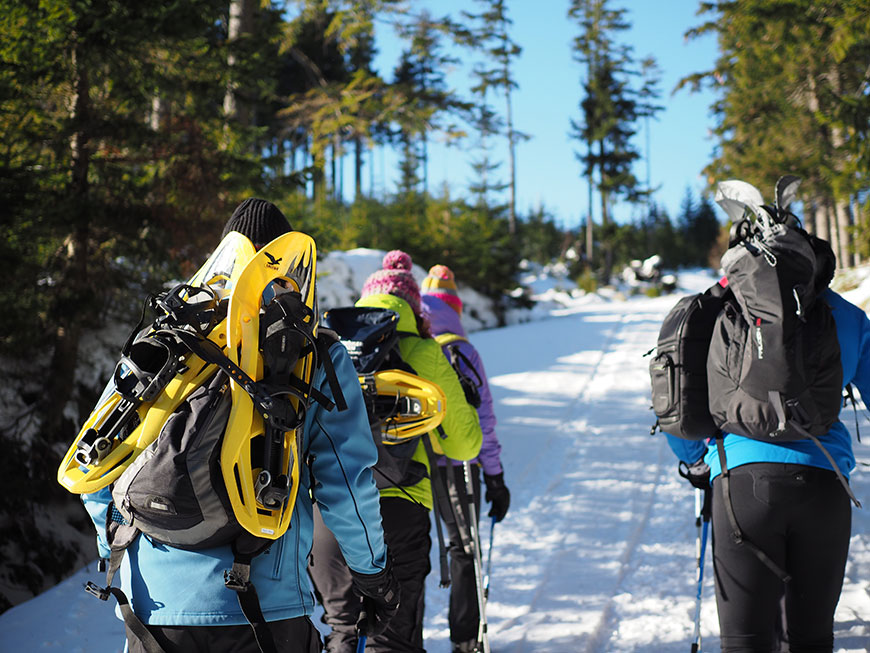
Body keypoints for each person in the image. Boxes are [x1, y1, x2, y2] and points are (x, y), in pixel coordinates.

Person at [82, 198, 399, 653]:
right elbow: (345, 484)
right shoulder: (311, 352)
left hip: (151, 609)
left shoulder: (166, 342)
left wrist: (114, 543)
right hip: (266, 609)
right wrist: (374, 575)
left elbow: (97, 457)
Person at [666, 275, 870, 652]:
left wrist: (697, 464)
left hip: (740, 485)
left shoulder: (714, 307)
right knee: (811, 640)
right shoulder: (844, 312)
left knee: (746, 643)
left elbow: (677, 396)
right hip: (824, 484)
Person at [309, 250, 483, 653]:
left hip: (327, 513)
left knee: (341, 630)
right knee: (392, 638)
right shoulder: (423, 353)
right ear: (412, 307)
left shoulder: (330, 349)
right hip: (399, 507)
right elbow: (465, 444)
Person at [420, 264, 510, 653]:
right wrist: (495, 475)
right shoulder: (462, 348)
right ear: (454, 307)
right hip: (459, 466)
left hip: (410, 462)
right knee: (464, 547)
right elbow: (483, 417)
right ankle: (465, 638)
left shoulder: (409, 343)